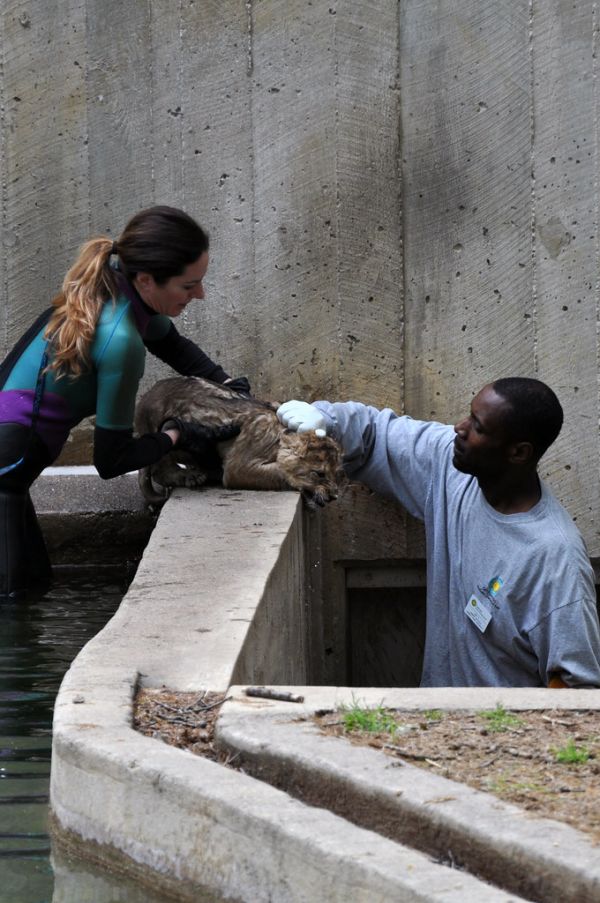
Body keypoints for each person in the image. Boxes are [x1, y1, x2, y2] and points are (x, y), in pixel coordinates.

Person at [277, 378, 600, 688]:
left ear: (519, 453)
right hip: (436, 721)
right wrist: (325, 424)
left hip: (498, 735)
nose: (460, 428)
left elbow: (576, 688)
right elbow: (376, 433)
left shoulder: (555, 561)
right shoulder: (455, 471)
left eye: (478, 426)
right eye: (469, 415)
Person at [0, 205, 247, 599]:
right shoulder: (121, 341)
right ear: (147, 280)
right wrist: (176, 435)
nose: (199, 294)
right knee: (15, 604)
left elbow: (173, 345)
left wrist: (228, 385)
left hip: (11, 479)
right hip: (6, 480)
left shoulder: (114, 290)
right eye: (188, 286)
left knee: (33, 590)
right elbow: (110, 461)